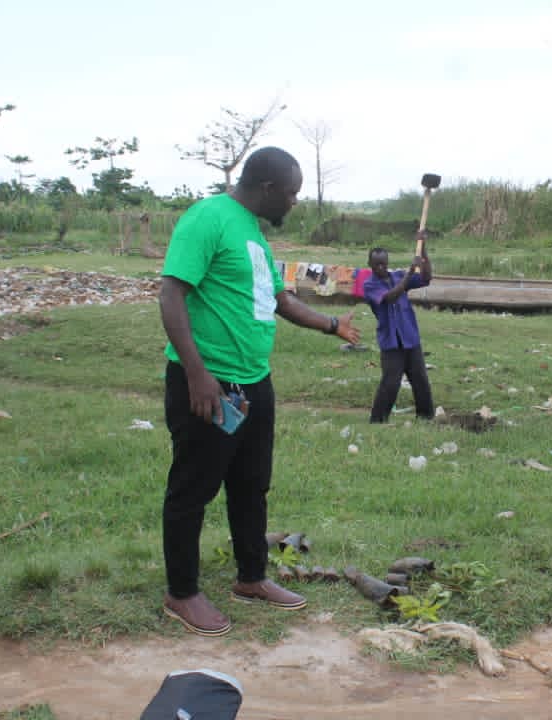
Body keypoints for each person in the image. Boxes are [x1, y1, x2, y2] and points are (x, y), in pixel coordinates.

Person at [159, 146, 361, 637]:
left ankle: (252, 578)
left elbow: (279, 299)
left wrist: (331, 324)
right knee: (193, 489)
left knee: (251, 486)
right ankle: (181, 593)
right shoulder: (208, 219)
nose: (294, 202)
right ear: (267, 188)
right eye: (291, 193)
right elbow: (171, 293)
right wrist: (197, 373)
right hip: (210, 383)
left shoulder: (252, 232)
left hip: (253, 381)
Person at [364, 238, 434, 423]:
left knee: (420, 380)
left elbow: (426, 278)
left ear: (387, 262)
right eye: (376, 264)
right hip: (391, 342)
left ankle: (426, 417)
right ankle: (378, 420)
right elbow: (390, 297)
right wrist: (410, 272)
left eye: (383, 264)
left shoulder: (397, 276)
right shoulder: (369, 285)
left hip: (410, 336)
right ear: (369, 264)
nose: (380, 268)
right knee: (390, 383)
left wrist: (423, 251)